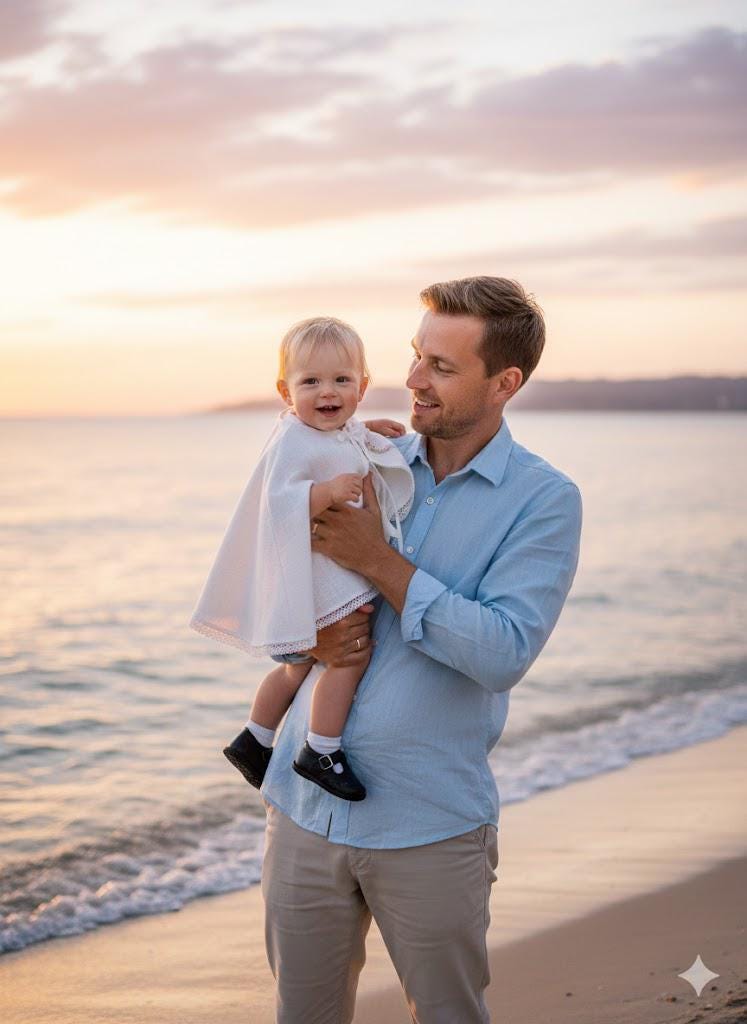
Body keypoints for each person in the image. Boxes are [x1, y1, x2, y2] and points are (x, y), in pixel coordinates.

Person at [258, 277, 583, 1024]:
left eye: (441, 366)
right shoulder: (361, 456)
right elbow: (272, 578)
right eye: (414, 356)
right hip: (302, 810)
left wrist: (380, 562)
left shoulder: (543, 500)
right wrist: (302, 635)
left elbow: (504, 651)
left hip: (429, 825)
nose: (411, 380)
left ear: (504, 383)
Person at [189, 316, 414, 802]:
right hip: (312, 589)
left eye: (341, 381)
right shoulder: (292, 439)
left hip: (303, 587)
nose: (326, 392)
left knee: (295, 667)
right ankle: (321, 749)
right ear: (284, 391)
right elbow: (278, 503)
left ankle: (254, 737)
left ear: (363, 387)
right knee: (350, 658)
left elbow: (334, 441)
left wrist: (364, 429)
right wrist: (325, 492)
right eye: (310, 381)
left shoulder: (323, 430)